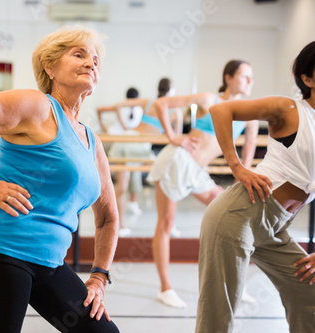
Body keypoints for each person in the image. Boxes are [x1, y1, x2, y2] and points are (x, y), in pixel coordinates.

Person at [0, 26, 120, 332]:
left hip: (49, 262)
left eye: (96, 59)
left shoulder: (91, 141)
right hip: (0, 250)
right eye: (79, 54)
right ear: (49, 66)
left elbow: (108, 218)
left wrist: (100, 276)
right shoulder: (38, 107)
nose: (91, 62)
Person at [196, 42, 315, 333]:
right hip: (239, 215)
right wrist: (236, 167)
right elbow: (221, 109)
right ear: (308, 79)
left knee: (310, 294)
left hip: (274, 227)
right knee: (218, 317)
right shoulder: (289, 109)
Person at [147, 60, 258, 308]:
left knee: (233, 217)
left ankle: (235, 284)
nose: (250, 81)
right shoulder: (210, 100)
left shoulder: (249, 114)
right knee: (166, 224)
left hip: (197, 171)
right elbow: (161, 103)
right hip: (177, 162)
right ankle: (165, 288)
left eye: (251, 77)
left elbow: (249, 147)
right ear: (228, 78)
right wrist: (173, 137)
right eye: (244, 76)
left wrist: (244, 175)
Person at [97, 81, 182, 237]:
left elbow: (118, 106)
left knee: (121, 186)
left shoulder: (148, 103)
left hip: (126, 139)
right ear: (172, 92)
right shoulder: (175, 112)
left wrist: (109, 118)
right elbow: (176, 139)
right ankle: (170, 225)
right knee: (168, 182)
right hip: (140, 147)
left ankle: (119, 226)